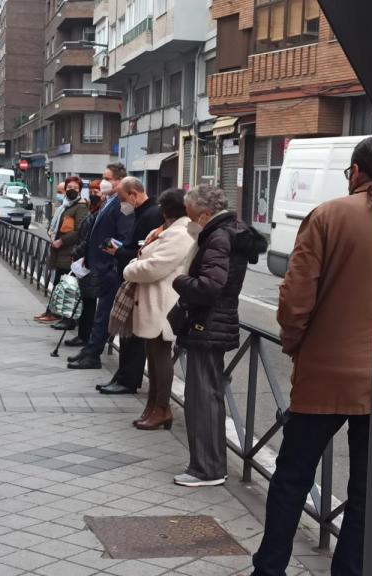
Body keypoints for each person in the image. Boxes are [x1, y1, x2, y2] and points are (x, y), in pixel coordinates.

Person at [251, 135, 372, 576]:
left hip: (323, 374)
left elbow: (295, 301)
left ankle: (269, 569)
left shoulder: (327, 217)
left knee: (292, 479)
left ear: (356, 173)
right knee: (367, 490)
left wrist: (298, 342)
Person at [171, 184, 255, 487]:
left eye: (192, 215)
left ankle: (206, 468)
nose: (190, 221)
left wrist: (180, 281)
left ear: (205, 214)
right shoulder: (228, 231)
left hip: (207, 324)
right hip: (214, 324)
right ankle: (210, 465)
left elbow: (210, 286)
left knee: (203, 397)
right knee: (207, 395)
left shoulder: (218, 236)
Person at [123, 189, 194, 428]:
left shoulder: (181, 233)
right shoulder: (165, 230)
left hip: (163, 303)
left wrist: (130, 267)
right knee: (152, 357)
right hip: (151, 301)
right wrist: (137, 262)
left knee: (160, 357)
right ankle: (153, 406)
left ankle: (161, 408)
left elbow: (154, 266)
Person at [98, 177, 164, 395]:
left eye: (123, 199)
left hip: (138, 282)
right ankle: (124, 376)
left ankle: (128, 380)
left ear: (134, 194)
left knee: (133, 336)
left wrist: (118, 252)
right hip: (131, 278)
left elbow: (143, 254)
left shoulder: (151, 215)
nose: (122, 204)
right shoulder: (143, 212)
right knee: (128, 334)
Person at [68, 164, 134, 370]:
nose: (103, 181)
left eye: (107, 178)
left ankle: (93, 354)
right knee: (100, 312)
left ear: (118, 181)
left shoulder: (122, 205)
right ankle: (90, 350)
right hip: (99, 264)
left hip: (110, 267)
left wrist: (110, 262)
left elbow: (122, 237)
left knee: (104, 313)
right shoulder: (109, 201)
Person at [65, 179, 107, 348]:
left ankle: (85, 337)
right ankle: (83, 335)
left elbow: (90, 238)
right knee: (85, 299)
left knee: (89, 301)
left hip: (90, 261)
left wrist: (76, 252)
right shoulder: (93, 208)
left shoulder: (99, 211)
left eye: (97, 191)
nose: (94, 194)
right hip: (85, 260)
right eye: (92, 191)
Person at [48, 176, 90, 330]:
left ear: (80, 190)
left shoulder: (81, 207)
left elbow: (79, 231)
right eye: (68, 187)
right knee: (61, 284)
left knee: (69, 286)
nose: (71, 190)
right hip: (60, 252)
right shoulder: (65, 206)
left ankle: (69, 320)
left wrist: (62, 240)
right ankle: (59, 315)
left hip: (69, 252)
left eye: (75, 188)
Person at [34, 182, 73, 324]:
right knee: (57, 284)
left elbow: (75, 231)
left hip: (66, 253)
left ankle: (55, 313)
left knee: (61, 285)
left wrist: (61, 240)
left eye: (61, 191)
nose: (59, 194)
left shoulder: (73, 208)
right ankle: (51, 311)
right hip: (58, 251)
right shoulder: (62, 207)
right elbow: (54, 225)